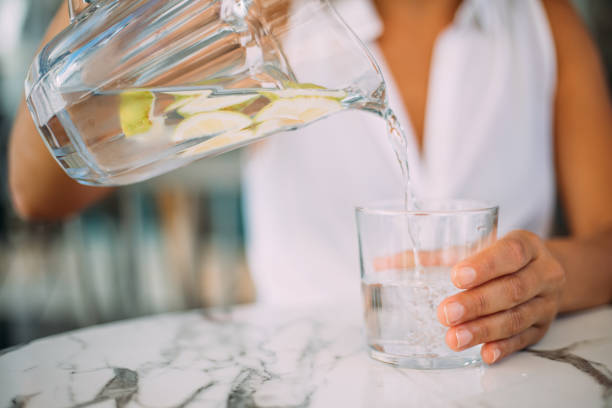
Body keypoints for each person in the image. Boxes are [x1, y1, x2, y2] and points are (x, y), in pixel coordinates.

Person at [8, 0, 612, 365]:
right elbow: (38, 192)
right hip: (298, 381)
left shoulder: (542, 22)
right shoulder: (265, 20)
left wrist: (549, 276)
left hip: (500, 381)